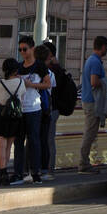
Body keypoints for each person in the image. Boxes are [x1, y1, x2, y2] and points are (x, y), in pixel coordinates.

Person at [15, 35, 49, 183]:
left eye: (25, 49)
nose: (22, 52)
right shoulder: (19, 67)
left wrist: (31, 85)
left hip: (34, 108)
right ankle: (19, 172)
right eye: (20, 49)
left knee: (34, 140)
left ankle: (35, 172)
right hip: (20, 109)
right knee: (18, 141)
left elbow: (48, 84)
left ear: (32, 49)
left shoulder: (40, 66)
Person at [0, 58, 26, 186]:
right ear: (16, 70)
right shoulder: (20, 83)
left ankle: (2, 172)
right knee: (9, 146)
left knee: (1, 146)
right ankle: (5, 175)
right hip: (15, 117)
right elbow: (22, 99)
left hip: (2, 115)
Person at [80, 36, 107, 172]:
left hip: (88, 100)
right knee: (90, 133)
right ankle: (83, 163)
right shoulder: (96, 62)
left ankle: (84, 162)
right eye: (106, 47)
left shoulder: (91, 60)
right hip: (92, 101)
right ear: (103, 47)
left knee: (90, 132)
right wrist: (106, 82)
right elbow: (94, 82)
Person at [41, 40, 63, 177]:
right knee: (46, 138)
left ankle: (48, 167)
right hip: (50, 108)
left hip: (51, 108)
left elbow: (53, 88)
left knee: (48, 139)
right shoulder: (55, 68)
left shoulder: (53, 70)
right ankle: (46, 167)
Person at [34, 44, 55, 180]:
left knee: (33, 139)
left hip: (32, 108)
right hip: (44, 109)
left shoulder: (31, 72)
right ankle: (44, 169)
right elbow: (51, 88)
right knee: (44, 140)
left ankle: (31, 168)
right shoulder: (50, 74)